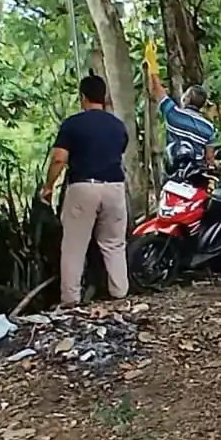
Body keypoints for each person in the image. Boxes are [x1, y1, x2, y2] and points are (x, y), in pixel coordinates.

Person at [41, 75, 131, 306]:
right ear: (104, 98)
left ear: (82, 97)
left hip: (83, 188)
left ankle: (70, 300)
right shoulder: (118, 126)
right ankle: (120, 293)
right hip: (114, 187)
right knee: (114, 244)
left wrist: (49, 186)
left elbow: (59, 159)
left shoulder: (72, 124)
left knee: (74, 245)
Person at [144, 41, 217, 169]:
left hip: (174, 173)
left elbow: (156, 89)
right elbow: (209, 158)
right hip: (196, 175)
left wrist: (152, 65)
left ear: (187, 99)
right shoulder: (208, 128)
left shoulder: (173, 114)